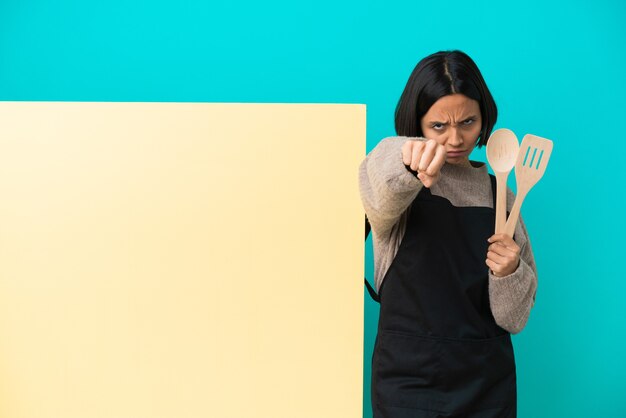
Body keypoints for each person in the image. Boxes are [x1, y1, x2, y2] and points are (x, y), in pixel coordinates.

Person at [359, 50, 538, 418]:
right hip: (408, 380)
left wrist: (510, 272)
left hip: (485, 379)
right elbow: (377, 178)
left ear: (483, 119)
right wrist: (408, 157)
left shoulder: (502, 194)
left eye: (468, 122)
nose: (455, 139)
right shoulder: (398, 178)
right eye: (438, 126)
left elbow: (514, 319)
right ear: (417, 123)